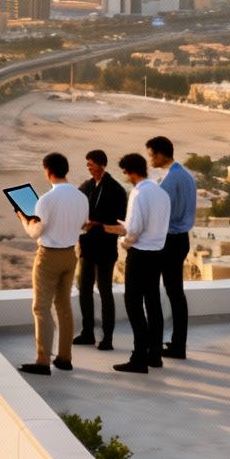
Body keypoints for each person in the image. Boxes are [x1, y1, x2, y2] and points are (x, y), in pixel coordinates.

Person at [18, 151, 86, 376]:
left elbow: (36, 231)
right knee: (64, 306)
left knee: (41, 308)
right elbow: (82, 224)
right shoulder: (81, 197)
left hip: (48, 256)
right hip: (70, 254)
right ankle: (65, 357)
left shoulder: (45, 200)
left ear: (48, 170)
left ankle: (42, 359)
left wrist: (24, 220)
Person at [105, 152, 170, 374]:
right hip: (157, 253)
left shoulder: (138, 193)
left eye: (125, 173)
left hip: (140, 254)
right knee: (153, 304)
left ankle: (139, 356)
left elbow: (134, 229)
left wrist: (124, 241)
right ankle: (155, 355)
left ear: (130, 172)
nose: (126, 178)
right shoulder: (161, 193)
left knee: (133, 304)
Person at [146, 136, 196, 360]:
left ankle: (175, 346)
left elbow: (162, 212)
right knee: (176, 293)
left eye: (151, 155)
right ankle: (178, 343)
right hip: (182, 238)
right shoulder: (186, 175)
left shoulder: (170, 180)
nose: (150, 160)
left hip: (170, 239)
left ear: (160, 154)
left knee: (171, 293)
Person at [73, 149, 125, 350]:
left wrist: (97, 223)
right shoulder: (86, 186)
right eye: (87, 164)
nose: (88, 167)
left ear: (101, 165)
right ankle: (88, 333)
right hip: (87, 247)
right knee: (84, 289)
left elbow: (121, 220)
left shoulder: (116, 189)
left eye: (91, 164)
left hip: (105, 248)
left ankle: (108, 338)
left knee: (105, 291)